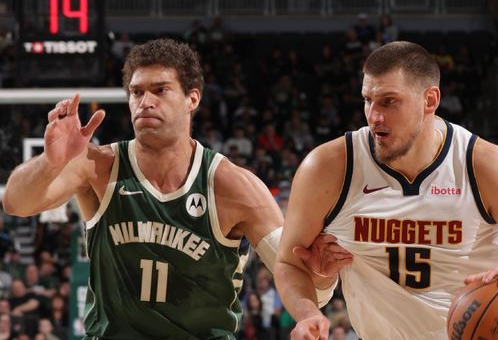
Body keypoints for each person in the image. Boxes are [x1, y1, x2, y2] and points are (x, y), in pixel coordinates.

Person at [3, 38, 350, 339]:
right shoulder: (98, 166)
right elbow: (15, 203)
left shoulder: (231, 185)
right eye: (136, 92)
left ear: (192, 99)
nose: (145, 101)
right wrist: (50, 163)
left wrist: (313, 301)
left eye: (160, 90)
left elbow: (293, 272)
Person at [275, 41, 498, 339]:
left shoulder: (483, 165)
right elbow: (290, 262)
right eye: (368, 100)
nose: (374, 116)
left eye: (389, 101)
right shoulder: (329, 167)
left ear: (429, 100)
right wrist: (308, 313)